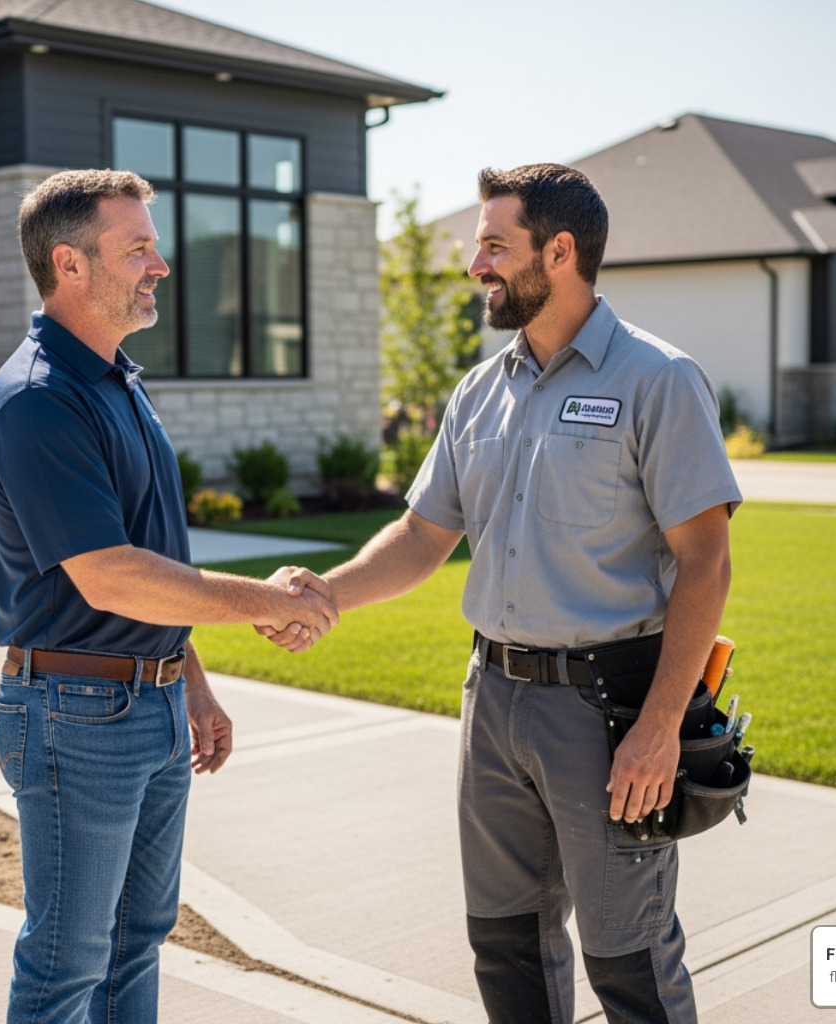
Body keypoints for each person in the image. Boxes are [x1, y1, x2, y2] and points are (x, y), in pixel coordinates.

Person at [267, 164, 740, 1024]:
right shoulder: (478, 393)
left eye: (494, 245)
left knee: (628, 960)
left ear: (558, 252)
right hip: (493, 701)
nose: (474, 265)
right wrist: (321, 594)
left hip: (608, 707)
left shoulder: (658, 380)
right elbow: (422, 538)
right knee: (506, 947)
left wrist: (661, 726)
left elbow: (707, 562)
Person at [0, 168, 337, 1024]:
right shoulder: (39, 401)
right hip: (73, 715)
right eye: (137, 248)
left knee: (137, 940)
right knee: (67, 963)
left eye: (156, 245)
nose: (161, 265)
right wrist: (269, 600)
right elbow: (110, 574)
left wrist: (192, 684)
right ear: (69, 263)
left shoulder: (117, 382)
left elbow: (152, 558)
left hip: (147, 706)